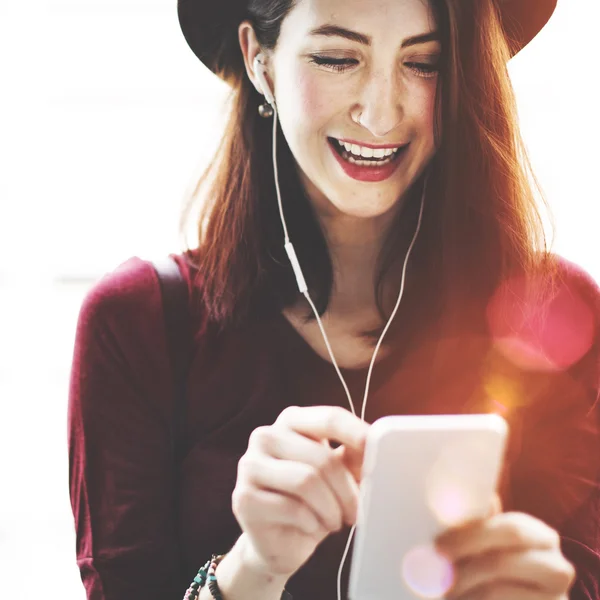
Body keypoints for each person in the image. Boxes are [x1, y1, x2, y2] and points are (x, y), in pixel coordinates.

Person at [67, 0, 600, 599]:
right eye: (336, 58)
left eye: (426, 63)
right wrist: (254, 568)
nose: (380, 113)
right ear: (259, 61)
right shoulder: (137, 326)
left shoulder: (555, 316)